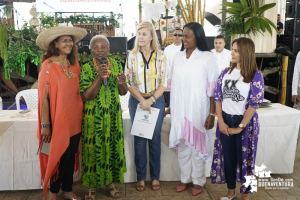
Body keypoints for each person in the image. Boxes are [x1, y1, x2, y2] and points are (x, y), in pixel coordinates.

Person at [166, 22, 218, 196]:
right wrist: (170, 108)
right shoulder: (177, 57)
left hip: (199, 109)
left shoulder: (208, 57)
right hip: (180, 109)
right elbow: (172, 86)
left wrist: (212, 113)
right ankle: (185, 178)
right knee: (183, 145)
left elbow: (212, 90)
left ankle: (198, 181)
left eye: (187, 36)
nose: (183, 39)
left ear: (198, 36)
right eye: (182, 36)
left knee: (197, 147)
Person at [36, 26, 87, 200]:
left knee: (71, 155)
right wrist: (45, 124)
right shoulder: (47, 66)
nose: (69, 43)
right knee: (60, 156)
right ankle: (53, 191)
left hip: (75, 118)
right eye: (64, 40)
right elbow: (44, 99)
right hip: (58, 120)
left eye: (70, 40)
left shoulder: (74, 63)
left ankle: (68, 188)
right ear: (55, 43)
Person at [210, 37, 264, 200]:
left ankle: (245, 193)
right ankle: (231, 191)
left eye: (236, 50)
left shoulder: (255, 75)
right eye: (232, 49)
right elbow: (218, 97)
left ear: (246, 53)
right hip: (226, 120)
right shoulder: (225, 73)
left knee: (245, 159)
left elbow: (254, 104)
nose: (232, 53)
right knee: (229, 157)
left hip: (245, 123)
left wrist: (240, 126)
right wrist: (221, 121)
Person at [80, 35, 128, 199]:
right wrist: (99, 78)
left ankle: (109, 182)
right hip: (94, 118)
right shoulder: (85, 68)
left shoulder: (116, 64)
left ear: (109, 49)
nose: (99, 50)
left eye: (103, 47)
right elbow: (87, 95)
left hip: (113, 117)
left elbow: (122, 93)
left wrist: (122, 83)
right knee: (92, 150)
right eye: (96, 47)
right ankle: (91, 186)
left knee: (111, 149)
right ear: (91, 50)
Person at [125, 21, 167, 192]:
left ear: (151, 37)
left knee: (155, 138)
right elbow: (129, 82)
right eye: (138, 33)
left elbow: (163, 83)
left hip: (156, 100)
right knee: (140, 139)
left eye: (143, 34)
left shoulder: (161, 56)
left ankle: (155, 176)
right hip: (137, 100)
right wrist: (141, 99)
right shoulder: (131, 56)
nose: (140, 37)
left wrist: (150, 100)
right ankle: (141, 177)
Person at [164, 28, 183, 107]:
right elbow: (165, 64)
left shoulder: (185, 49)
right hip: (170, 78)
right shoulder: (167, 49)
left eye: (179, 35)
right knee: (171, 102)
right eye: (175, 35)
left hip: (182, 79)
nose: (177, 36)